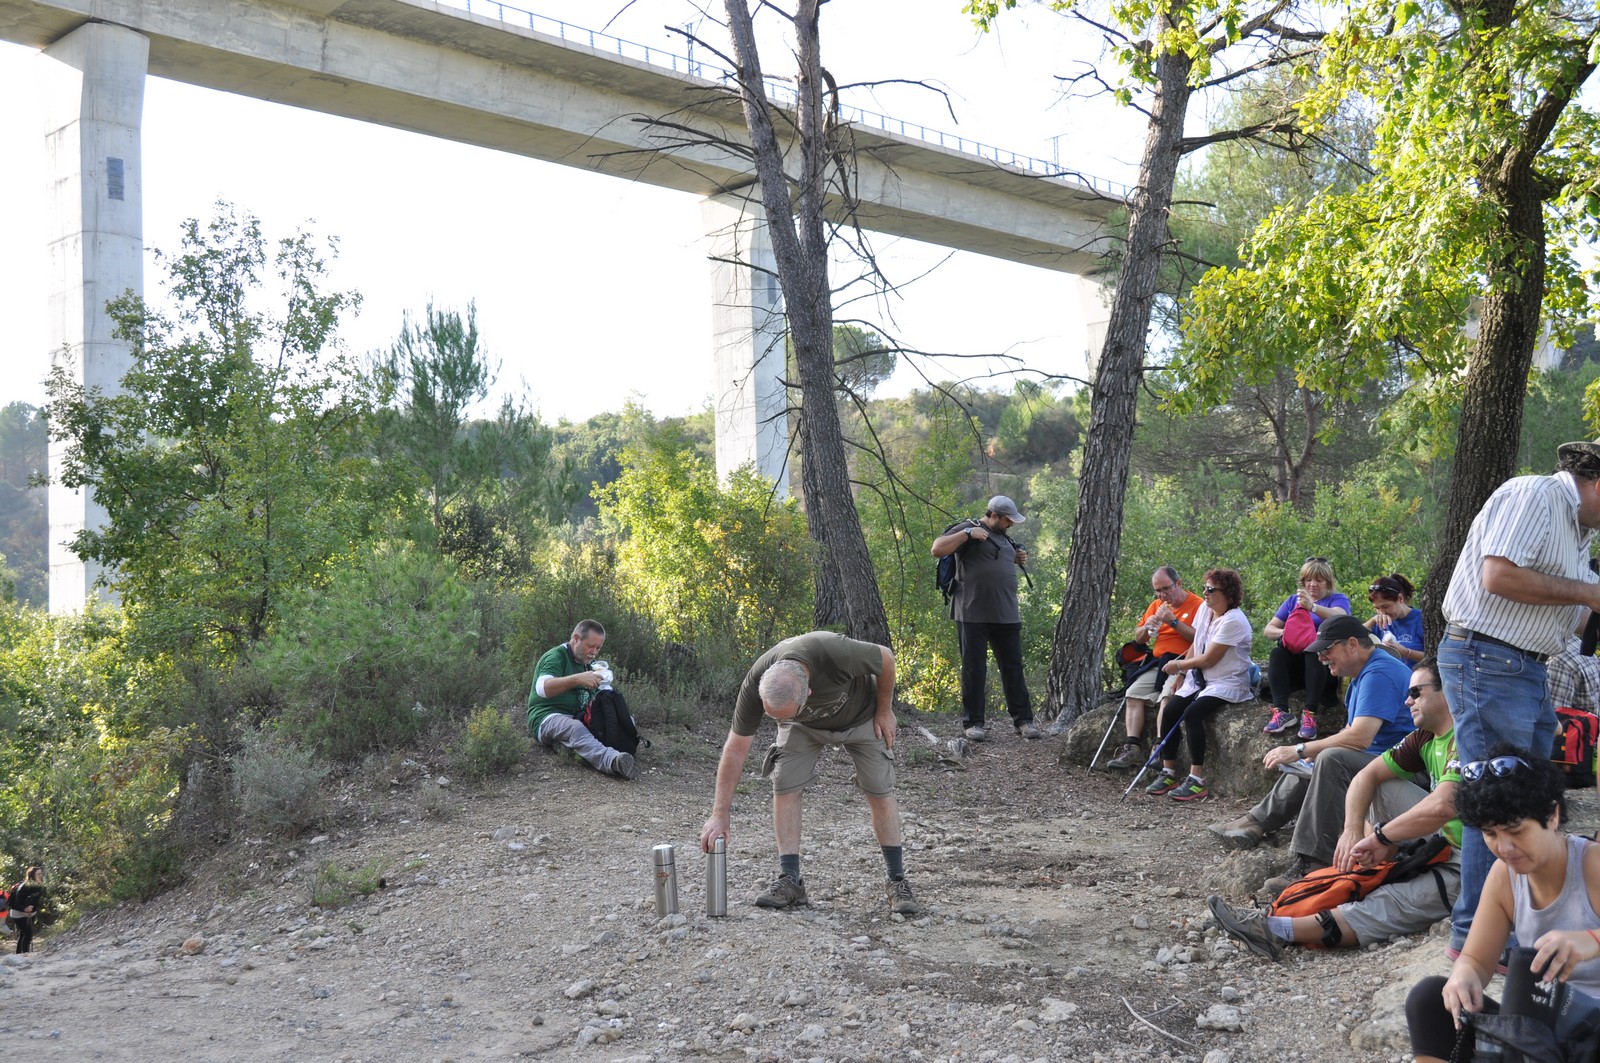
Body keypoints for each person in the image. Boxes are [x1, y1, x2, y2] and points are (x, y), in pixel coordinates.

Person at [1439, 440, 1600, 956]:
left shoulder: (1579, 532)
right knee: (1495, 796)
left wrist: (1587, 601)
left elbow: (1569, 612)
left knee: (1525, 797)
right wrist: (1589, 592)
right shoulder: (1536, 495)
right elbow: (1499, 576)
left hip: (1525, 664)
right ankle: (1479, 939)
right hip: (1487, 656)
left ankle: (1515, 927)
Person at [1208, 658, 1462, 958]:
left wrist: (1382, 837)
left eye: (1416, 692)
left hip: (1472, 862)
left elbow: (1444, 804)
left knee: (1390, 899)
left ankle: (1275, 930)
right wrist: (1353, 831)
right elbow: (1367, 776)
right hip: (1442, 842)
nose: (1407, 701)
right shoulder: (1425, 736)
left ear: (1448, 691)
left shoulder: (1466, 736)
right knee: (1369, 783)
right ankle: (1336, 876)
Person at [699, 631, 924, 915]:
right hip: (803, 727)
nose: (776, 722)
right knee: (785, 781)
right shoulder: (757, 680)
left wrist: (884, 710)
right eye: (773, 717)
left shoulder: (834, 652)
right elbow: (735, 750)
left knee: (879, 787)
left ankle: (897, 880)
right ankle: (790, 880)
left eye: (784, 714)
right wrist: (719, 813)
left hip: (862, 715)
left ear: (808, 693)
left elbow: (886, 658)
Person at [1405, 747, 1600, 1062]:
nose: (1504, 848)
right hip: (1543, 1030)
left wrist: (1591, 941)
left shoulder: (1591, 864)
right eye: (1490, 834)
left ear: (1552, 816)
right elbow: (1477, 960)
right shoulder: (1504, 876)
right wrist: (1464, 976)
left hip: (1591, 1026)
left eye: (1515, 831)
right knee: (1429, 999)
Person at [1205, 614, 1414, 893]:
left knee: (1329, 758)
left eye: (1327, 650)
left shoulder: (1379, 674)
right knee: (1313, 758)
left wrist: (1300, 748)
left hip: (1403, 771)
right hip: (1381, 761)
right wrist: (1308, 753)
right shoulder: (1365, 672)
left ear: (1353, 644)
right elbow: (1351, 732)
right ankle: (1255, 822)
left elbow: (1360, 738)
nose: (1321, 657)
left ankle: (1314, 863)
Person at [929, 495, 1041, 742]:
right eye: (1008, 520)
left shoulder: (1004, 537)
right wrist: (967, 534)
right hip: (972, 613)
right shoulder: (969, 528)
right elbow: (937, 549)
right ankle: (973, 723)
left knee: (1013, 668)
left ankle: (1024, 721)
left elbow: (995, 559)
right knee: (974, 668)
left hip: (1007, 613)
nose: (1011, 525)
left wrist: (1016, 557)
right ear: (994, 516)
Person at [1142, 568, 1254, 802]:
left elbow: (1210, 659)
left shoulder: (1234, 620)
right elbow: (1197, 642)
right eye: (1205, 588)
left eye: (1211, 589)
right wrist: (1183, 673)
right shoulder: (1205, 609)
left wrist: (1179, 666)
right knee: (1171, 710)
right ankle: (1168, 772)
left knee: (1192, 714)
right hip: (1199, 679)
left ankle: (1196, 779)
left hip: (1226, 682)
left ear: (1227, 593)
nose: (1205, 592)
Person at [1106, 566, 1204, 770]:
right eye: (1158, 591)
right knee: (1133, 693)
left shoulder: (1198, 605)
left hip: (1182, 661)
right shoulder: (1156, 605)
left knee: (1167, 697)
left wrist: (1173, 622)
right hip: (1158, 661)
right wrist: (1147, 628)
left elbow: (1200, 638)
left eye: (1166, 589)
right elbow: (1139, 638)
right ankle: (1132, 748)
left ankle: (1160, 750)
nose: (1162, 595)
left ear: (1178, 583)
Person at [526, 619, 637, 780]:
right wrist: (578, 679)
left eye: (598, 648)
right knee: (575, 728)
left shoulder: (590, 664)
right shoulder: (555, 656)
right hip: (547, 717)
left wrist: (605, 684)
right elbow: (542, 688)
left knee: (625, 720)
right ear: (576, 639)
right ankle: (613, 762)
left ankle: (568, 747)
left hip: (580, 715)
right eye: (590, 646)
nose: (594, 652)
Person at [1261, 557, 1351, 739]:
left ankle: (1310, 714)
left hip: (1323, 668)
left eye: (1319, 580)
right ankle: (1281, 712)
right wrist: (1288, 632)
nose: (1313, 584)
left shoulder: (1337, 599)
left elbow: (1340, 618)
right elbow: (1269, 630)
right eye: (1308, 580)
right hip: (1297, 669)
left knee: (1313, 650)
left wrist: (1313, 607)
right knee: (1277, 653)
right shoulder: (1293, 601)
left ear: (1328, 582)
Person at [1365, 574, 1425, 664]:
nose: (1381, 612)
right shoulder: (1379, 622)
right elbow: (1351, 637)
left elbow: (1435, 657)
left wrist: (1406, 652)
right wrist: (1372, 621)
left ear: (1400, 598)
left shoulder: (1421, 620)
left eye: (1385, 606)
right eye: (1377, 608)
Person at [9, 866, 44, 954]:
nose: (40, 876)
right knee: (28, 934)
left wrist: (33, 909)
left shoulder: (39, 885)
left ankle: (19, 955)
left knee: (24, 934)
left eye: (41, 874)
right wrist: (25, 908)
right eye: (38, 874)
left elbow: (35, 900)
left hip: (29, 914)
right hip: (18, 913)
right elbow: (16, 904)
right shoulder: (24, 887)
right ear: (32, 875)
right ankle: (25, 955)